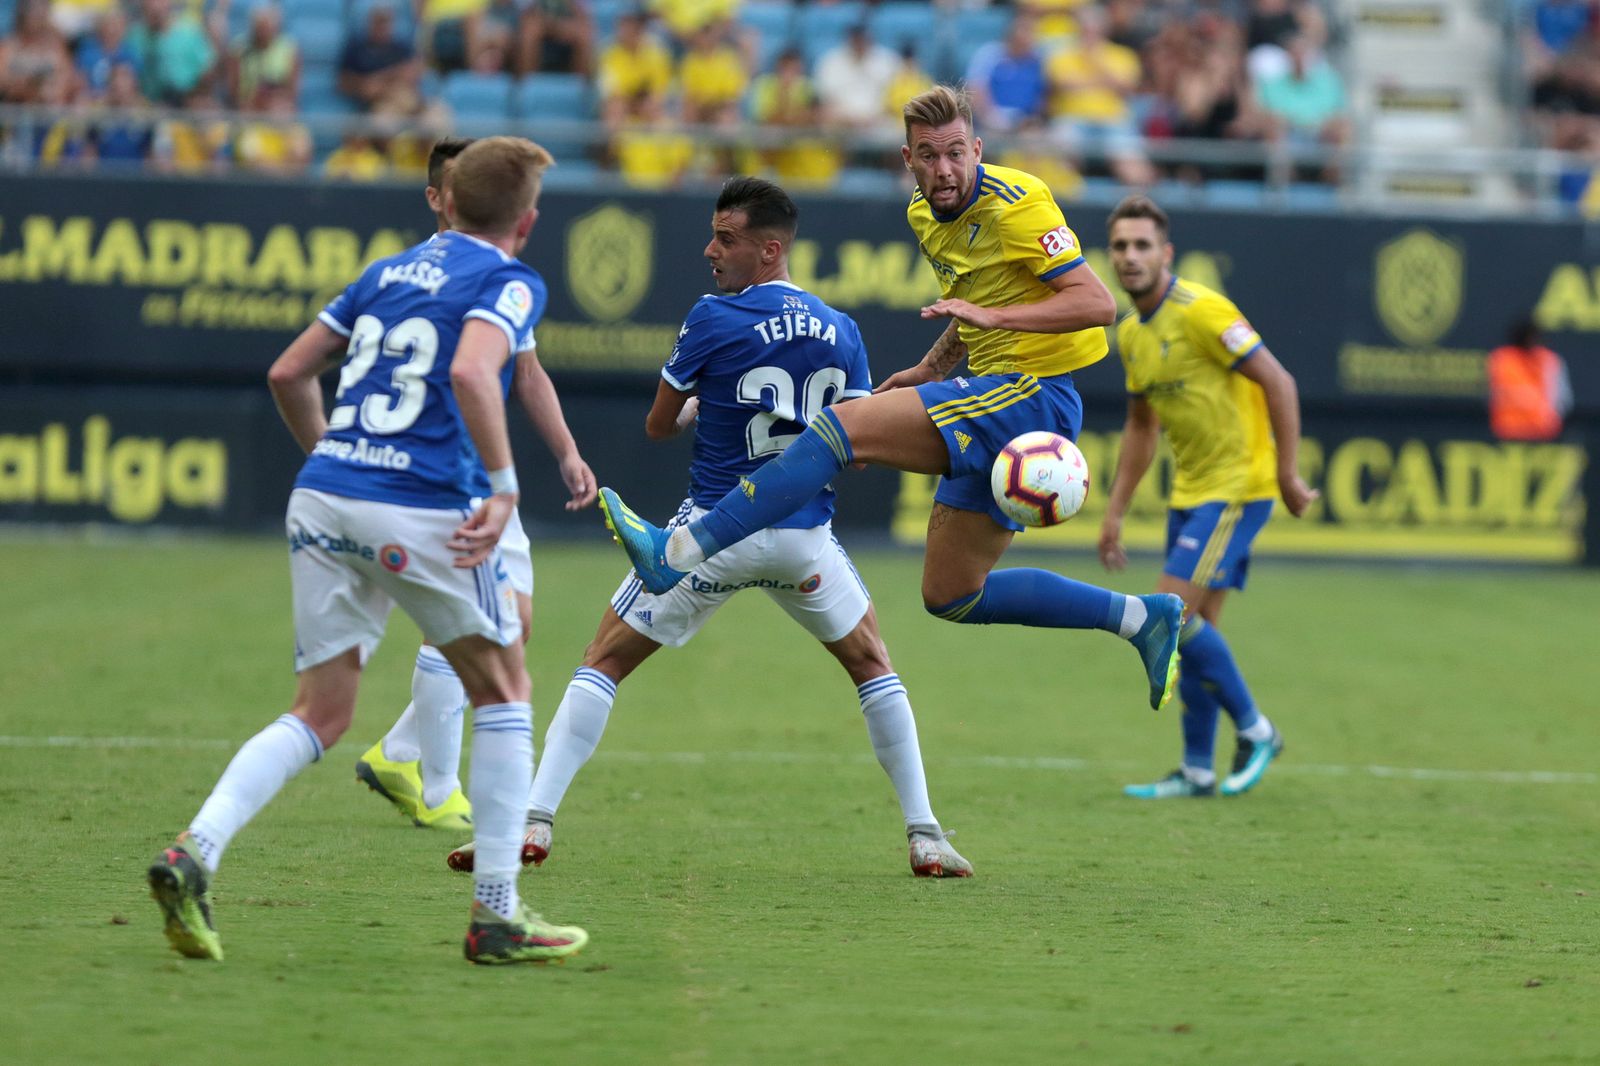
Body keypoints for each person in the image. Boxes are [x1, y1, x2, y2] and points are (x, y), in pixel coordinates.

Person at [600, 85, 1186, 723]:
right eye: (929, 156)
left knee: (841, 427)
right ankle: (1140, 618)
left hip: (1033, 394)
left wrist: (992, 319)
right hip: (996, 391)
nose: (945, 169)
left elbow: (1096, 304)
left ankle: (679, 552)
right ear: (908, 159)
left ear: (978, 149)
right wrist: (931, 368)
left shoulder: (1019, 203)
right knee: (952, 594)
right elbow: (975, 295)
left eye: (956, 153)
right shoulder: (922, 213)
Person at [444, 176, 972, 879]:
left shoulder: (712, 316)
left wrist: (702, 408)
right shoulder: (842, 329)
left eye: (726, 239)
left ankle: (532, 821)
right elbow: (861, 449)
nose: (710, 251)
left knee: (604, 660)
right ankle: (926, 834)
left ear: (770, 249)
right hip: (803, 541)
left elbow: (659, 425)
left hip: (712, 535)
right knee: (873, 664)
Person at [145, 136, 588, 966]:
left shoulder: (386, 272)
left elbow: (288, 373)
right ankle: (496, 914)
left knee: (320, 712)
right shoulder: (510, 278)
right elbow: (473, 371)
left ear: (448, 201)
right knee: (505, 687)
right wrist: (503, 487)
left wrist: (334, 460)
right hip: (421, 501)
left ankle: (195, 849)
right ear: (526, 222)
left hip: (325, 492)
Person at [355, 135, 597, 838]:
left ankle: (401, 751)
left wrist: (567, 450)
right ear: (440, 197)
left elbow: (526, 371)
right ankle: (438, 787)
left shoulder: (486, 274)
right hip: (447, 474)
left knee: (511, 623)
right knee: (466, 624)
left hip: (476, 476)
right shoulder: (444, 274)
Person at [1100, 195, 1315, 799]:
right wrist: (1114, 511)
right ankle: (1197, 769)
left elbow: (1279, 381)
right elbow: (1141, 427)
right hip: (1191, 492)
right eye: (1120, 246)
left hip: (1239, 486)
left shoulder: (1202, 311)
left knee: (1171, 615)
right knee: (1193, 634)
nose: (1130, 256)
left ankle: (1257, 730)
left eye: (1142, 245)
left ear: (1166, 253)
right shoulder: (1131, 333)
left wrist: (1289, 474)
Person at [1487, 317, 1572, 442]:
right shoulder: (1502, 359)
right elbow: (1496, 395)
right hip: (1508, 431)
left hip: (1544, 434)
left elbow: (1563, 399)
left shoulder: (1550, 360)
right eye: (1530, 337)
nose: (1533, 341)